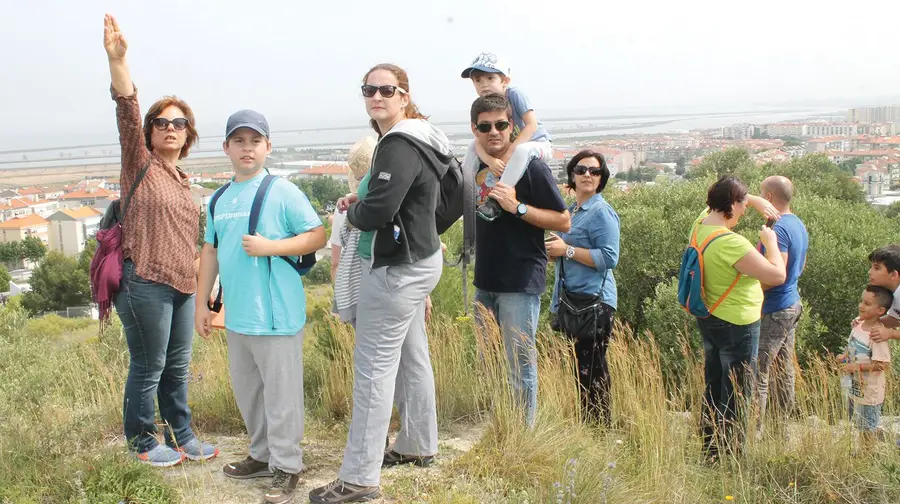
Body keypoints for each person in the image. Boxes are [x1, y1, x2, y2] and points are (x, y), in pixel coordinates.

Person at [310, 64, 452, 503]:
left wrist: (349, 213)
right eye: (369, 90)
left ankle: (359, 479)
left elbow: (378, 212)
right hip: (421, 259)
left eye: (387, 90)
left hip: (395, 267)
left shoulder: (397, 142)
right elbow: (410, 197)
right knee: (412, 356)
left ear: (404, 95)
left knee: (372, 373)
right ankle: (417, 443)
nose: (377, 96)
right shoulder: (427, 137)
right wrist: (366, 199)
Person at [103, 13, 217, 467]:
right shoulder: (141, 165)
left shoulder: (183, 180)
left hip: (182, 285)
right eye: (162, 121)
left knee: (176, 369)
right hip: (144, 281)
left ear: (188, 134)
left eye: (180, 122)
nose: (171, 127)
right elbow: (127, 111)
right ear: (150, 132)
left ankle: (183, 434)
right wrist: (119, 61)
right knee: (148, 369)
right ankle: (143, 442)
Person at [195, 110, 326, 504]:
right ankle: (261, 454)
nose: (247, 148)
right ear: (226, 148)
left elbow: (317, 235)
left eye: (255, 141)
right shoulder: (219, 198)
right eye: (239, 141)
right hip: (237, 315)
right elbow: (210, 251)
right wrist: (202, 304)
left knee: (282, 395)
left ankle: (287, 466)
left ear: (268, 146)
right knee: (249, 391)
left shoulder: (282, 191)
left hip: (277, 315)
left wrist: (272, 247)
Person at [468, 93, 570, 427]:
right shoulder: (475, 165)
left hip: (520, 280)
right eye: (485, 127)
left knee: (520, 365)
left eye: (501, 124)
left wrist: (518, 208)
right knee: (489, 363)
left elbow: (563, 220)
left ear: (513, 126)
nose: (493, 132)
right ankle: (500, 427)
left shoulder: (531, 166)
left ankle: (521, 438)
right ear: (475, 129)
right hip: (485, 280)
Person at [689, 175, 786, 461]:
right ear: (731, 204)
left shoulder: (699, 227)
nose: (745, 211)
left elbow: (717, 203)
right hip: (738, 324)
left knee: (715, 383)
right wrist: (771, 243)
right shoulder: (733, 244)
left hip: (709, 316)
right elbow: (777, 275)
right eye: (742, 205)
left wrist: (755, 201)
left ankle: (710, 450)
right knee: (736, 391)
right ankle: (731, 456)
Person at [547, 150, 619, 426]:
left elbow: (609, 258)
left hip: (595, 302)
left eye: (594, 171)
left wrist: (567, 250)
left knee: (594, 369)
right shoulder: (572, 211)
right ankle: (589, 425)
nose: (587, 174)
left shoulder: (601, 212)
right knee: (583, 369)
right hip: (574, 301)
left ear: (601, 179)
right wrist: (556, 252)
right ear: (572, 177)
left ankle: (599, 428)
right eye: (581, 170)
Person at [460, 52, 552, 222]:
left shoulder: (514, 94)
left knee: (522, 151)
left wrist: (508, 153)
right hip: (517, 147)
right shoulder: (485, 105)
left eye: (490, 78)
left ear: (505, 81)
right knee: (472, 145)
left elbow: (531, 125)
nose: (484, 85)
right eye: (478, 80)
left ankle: (495, 202)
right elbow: (478, 142)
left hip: (538, 144)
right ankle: (463, 190)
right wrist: (490, 161)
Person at [755, 176, 808, 438]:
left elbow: (778, 273)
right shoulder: (798, 224)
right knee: (783, 370)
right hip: (792, 303)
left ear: (768, 198)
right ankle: (781, 431)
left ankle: (754, 432)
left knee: (757, 371)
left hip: (775, 308)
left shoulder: (777, 230)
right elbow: (801, 267)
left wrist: (751, 289)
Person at [836, 285, 893, 452]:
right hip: (855, 387)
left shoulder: (877, 334)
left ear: (880, 310)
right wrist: (844, 357)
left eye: (867, 303)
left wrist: (856, 367)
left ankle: (866, 457)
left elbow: (883, 364)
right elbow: (852, 347)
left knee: (867, 427)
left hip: (870, 392)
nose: (861, 306)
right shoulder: (858, 326)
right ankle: (861, 453)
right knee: (859, 423)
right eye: (861, 301)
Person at [332, 136, 377, 325]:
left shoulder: (343, 208)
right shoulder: (390, 201)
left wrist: (341, 299)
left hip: (355, 291)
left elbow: (335, 263)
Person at [867, 244, 900, 343]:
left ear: (893, 275)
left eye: (877, 268)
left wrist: (891, 333)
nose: (870, 272)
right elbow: (895, 319)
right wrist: (866, 322)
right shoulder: (893, 292)